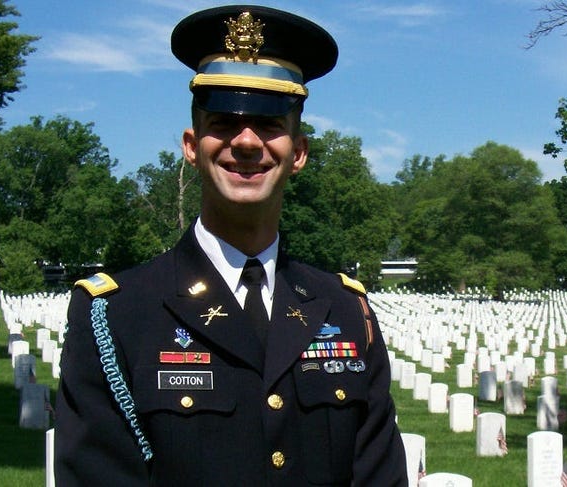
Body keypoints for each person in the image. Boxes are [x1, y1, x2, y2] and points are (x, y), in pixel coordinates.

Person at [54, 5, 408, 486]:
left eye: (269, 125)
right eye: (223, 121)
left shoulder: (346, 312)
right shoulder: (117, 314)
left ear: (298, 152)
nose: (245, 142)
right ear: (191, 144)